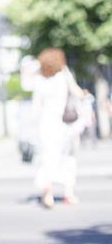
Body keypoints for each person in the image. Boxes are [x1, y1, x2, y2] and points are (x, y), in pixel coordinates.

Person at [32, 49, 86, 208]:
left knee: (48, 158)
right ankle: (69, 194)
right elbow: (77, 93)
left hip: (46, 125)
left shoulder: (40, 80)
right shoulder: (64, 75)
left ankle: (47, 194)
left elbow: (36, 106)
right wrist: (84, 94)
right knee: (68, 158)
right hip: (64, 124)